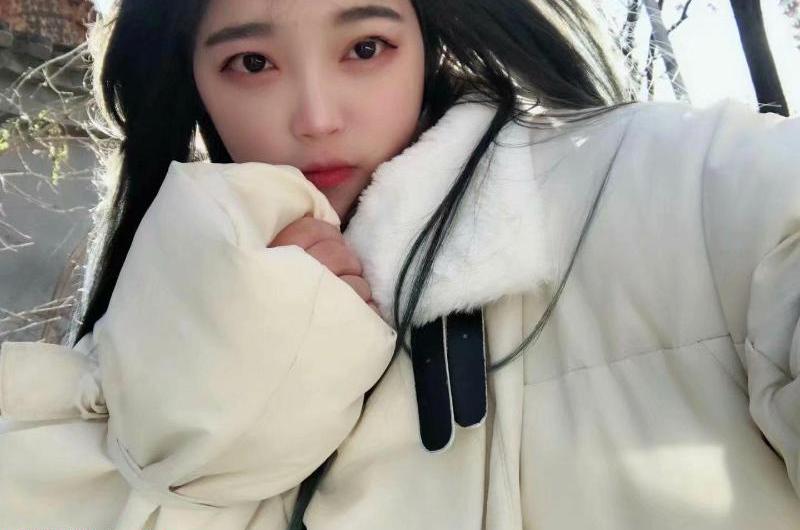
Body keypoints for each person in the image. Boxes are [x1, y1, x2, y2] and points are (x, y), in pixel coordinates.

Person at [0, 0, 798, 528]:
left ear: (428, 36)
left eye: (365, 48)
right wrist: (230, 384)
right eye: (251, 63)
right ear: (195, 83)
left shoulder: (680, 185)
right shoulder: (140, 348)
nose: (317, 117)